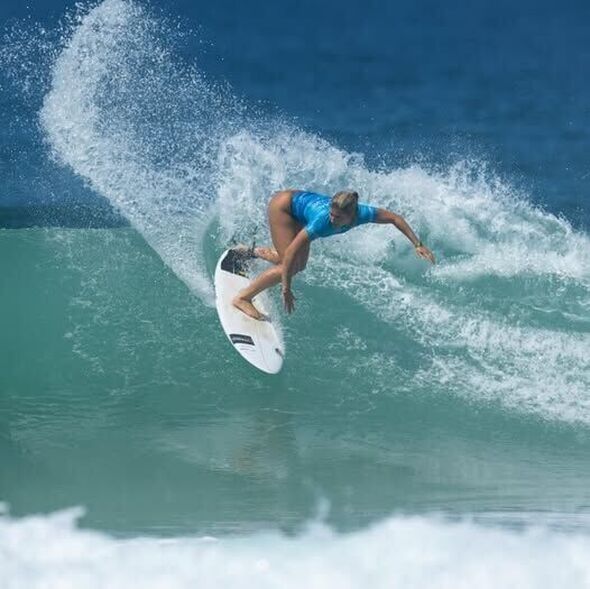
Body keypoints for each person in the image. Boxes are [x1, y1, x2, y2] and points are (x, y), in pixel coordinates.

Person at [232, 189, 435, 320]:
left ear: (351, 216)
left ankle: (249, 251)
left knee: (293, 262)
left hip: (297, 209)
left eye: (338, 217)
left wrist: (417, 244)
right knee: (291, 266)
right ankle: (243, 298)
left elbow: (395, 218)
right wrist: (286, 287)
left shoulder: (363, 214)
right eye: (331, 213)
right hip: (283, 207)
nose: (333, 219)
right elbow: (293, 250)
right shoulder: (322, 222)